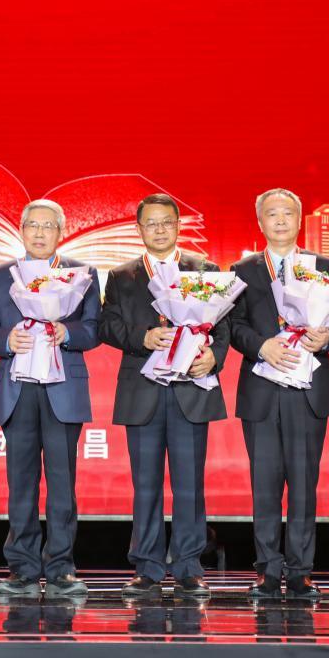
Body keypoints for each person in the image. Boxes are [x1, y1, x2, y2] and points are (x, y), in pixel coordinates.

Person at [98, 193, 230, 599]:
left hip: (191, 388)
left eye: (166, 222)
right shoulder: (121, 276)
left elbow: (223, 327)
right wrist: (142, 337)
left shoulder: (204, 270)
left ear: (178, 226)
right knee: (146, 484)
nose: (159, 229)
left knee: (190, 483)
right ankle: (148, 566)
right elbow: (107, 325)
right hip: (144, 390)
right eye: (151, 223)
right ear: (139, 229)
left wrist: (214, 358)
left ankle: (189, 566)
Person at [0, 199, 101, 598]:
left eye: (48, 226)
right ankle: (23, 568)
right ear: (22, 230)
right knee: (21, 482)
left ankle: (61, 567)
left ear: (61, 232)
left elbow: (95, 328)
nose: (40, 233)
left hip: (63, 388)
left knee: (63, 483)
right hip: (18, 387)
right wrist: (6, 340)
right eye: (33, 225)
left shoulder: (82, 274)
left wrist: (69, 333)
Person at [229, 188, 329, 600]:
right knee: (264, 485)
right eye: (272, 214)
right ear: (260, 222)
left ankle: (300, 571)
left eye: (287, 214)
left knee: (304, 483)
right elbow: (231, 325)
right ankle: (267, 570)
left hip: (308, 387)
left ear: (299, 220)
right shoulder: (242, 270)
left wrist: (327, 337)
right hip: (262, 386)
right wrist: (262, 346)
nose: (280, 220)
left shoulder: (322, 266)